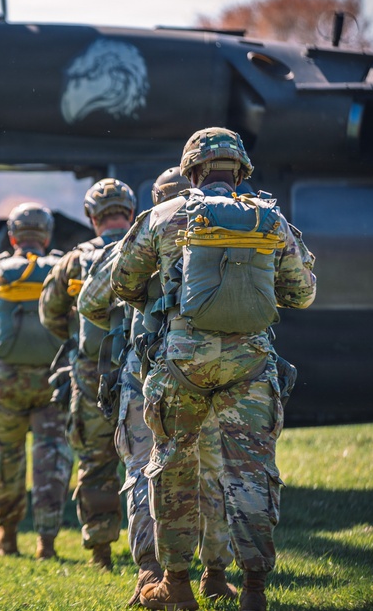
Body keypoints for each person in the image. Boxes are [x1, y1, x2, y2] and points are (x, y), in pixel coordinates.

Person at [111, 128, 317, 611]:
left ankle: (177, 587)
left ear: (192, 170)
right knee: (249, 474)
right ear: (240, 170)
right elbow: (302, 293)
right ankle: (253, 591)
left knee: (173, 469)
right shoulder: (270, 219)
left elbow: (123, 283)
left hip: (180, 365)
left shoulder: (162, 216)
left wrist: (168, 300)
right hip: (250, 366)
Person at [77, 167, 238, 605]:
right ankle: (215, 574)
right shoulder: (228, 228)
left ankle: (151, 572)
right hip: (214, 368)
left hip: (147, 374)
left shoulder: (145, 230)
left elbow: (90, 302)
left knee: (146, 471)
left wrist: (139, 308)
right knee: (211, 471)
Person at [0, 203, 73, 559]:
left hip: (6, 379)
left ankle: (6, 535)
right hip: (53, 380)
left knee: (7, 457)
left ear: (11, 237)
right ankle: (47, 543)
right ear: (47, 236)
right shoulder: (62, 271)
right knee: (52, 460)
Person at [39, 177, 136, 570]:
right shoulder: (146, 248)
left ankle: (101, 552)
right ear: (130, 213)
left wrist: (79, 341)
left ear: (91, 217)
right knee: (150, 463)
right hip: (141, 375)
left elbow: (49, 313)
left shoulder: (74, 259)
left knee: (96, 462)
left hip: (91, 376)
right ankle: (161, 557)